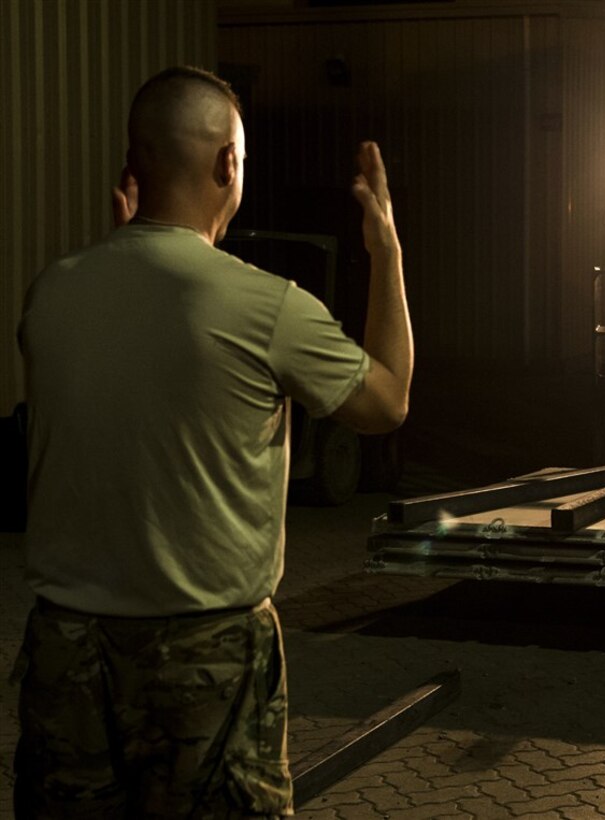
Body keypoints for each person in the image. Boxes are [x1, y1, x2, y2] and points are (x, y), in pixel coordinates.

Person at [13, 65, 412, 817]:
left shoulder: (50, 293)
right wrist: (385, 248)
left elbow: (120, 396)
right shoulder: (265, 306)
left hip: (64, 652)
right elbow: (387, 401)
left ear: (134, 165)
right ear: (228, 162)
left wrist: (123, 258)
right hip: (206, 658)